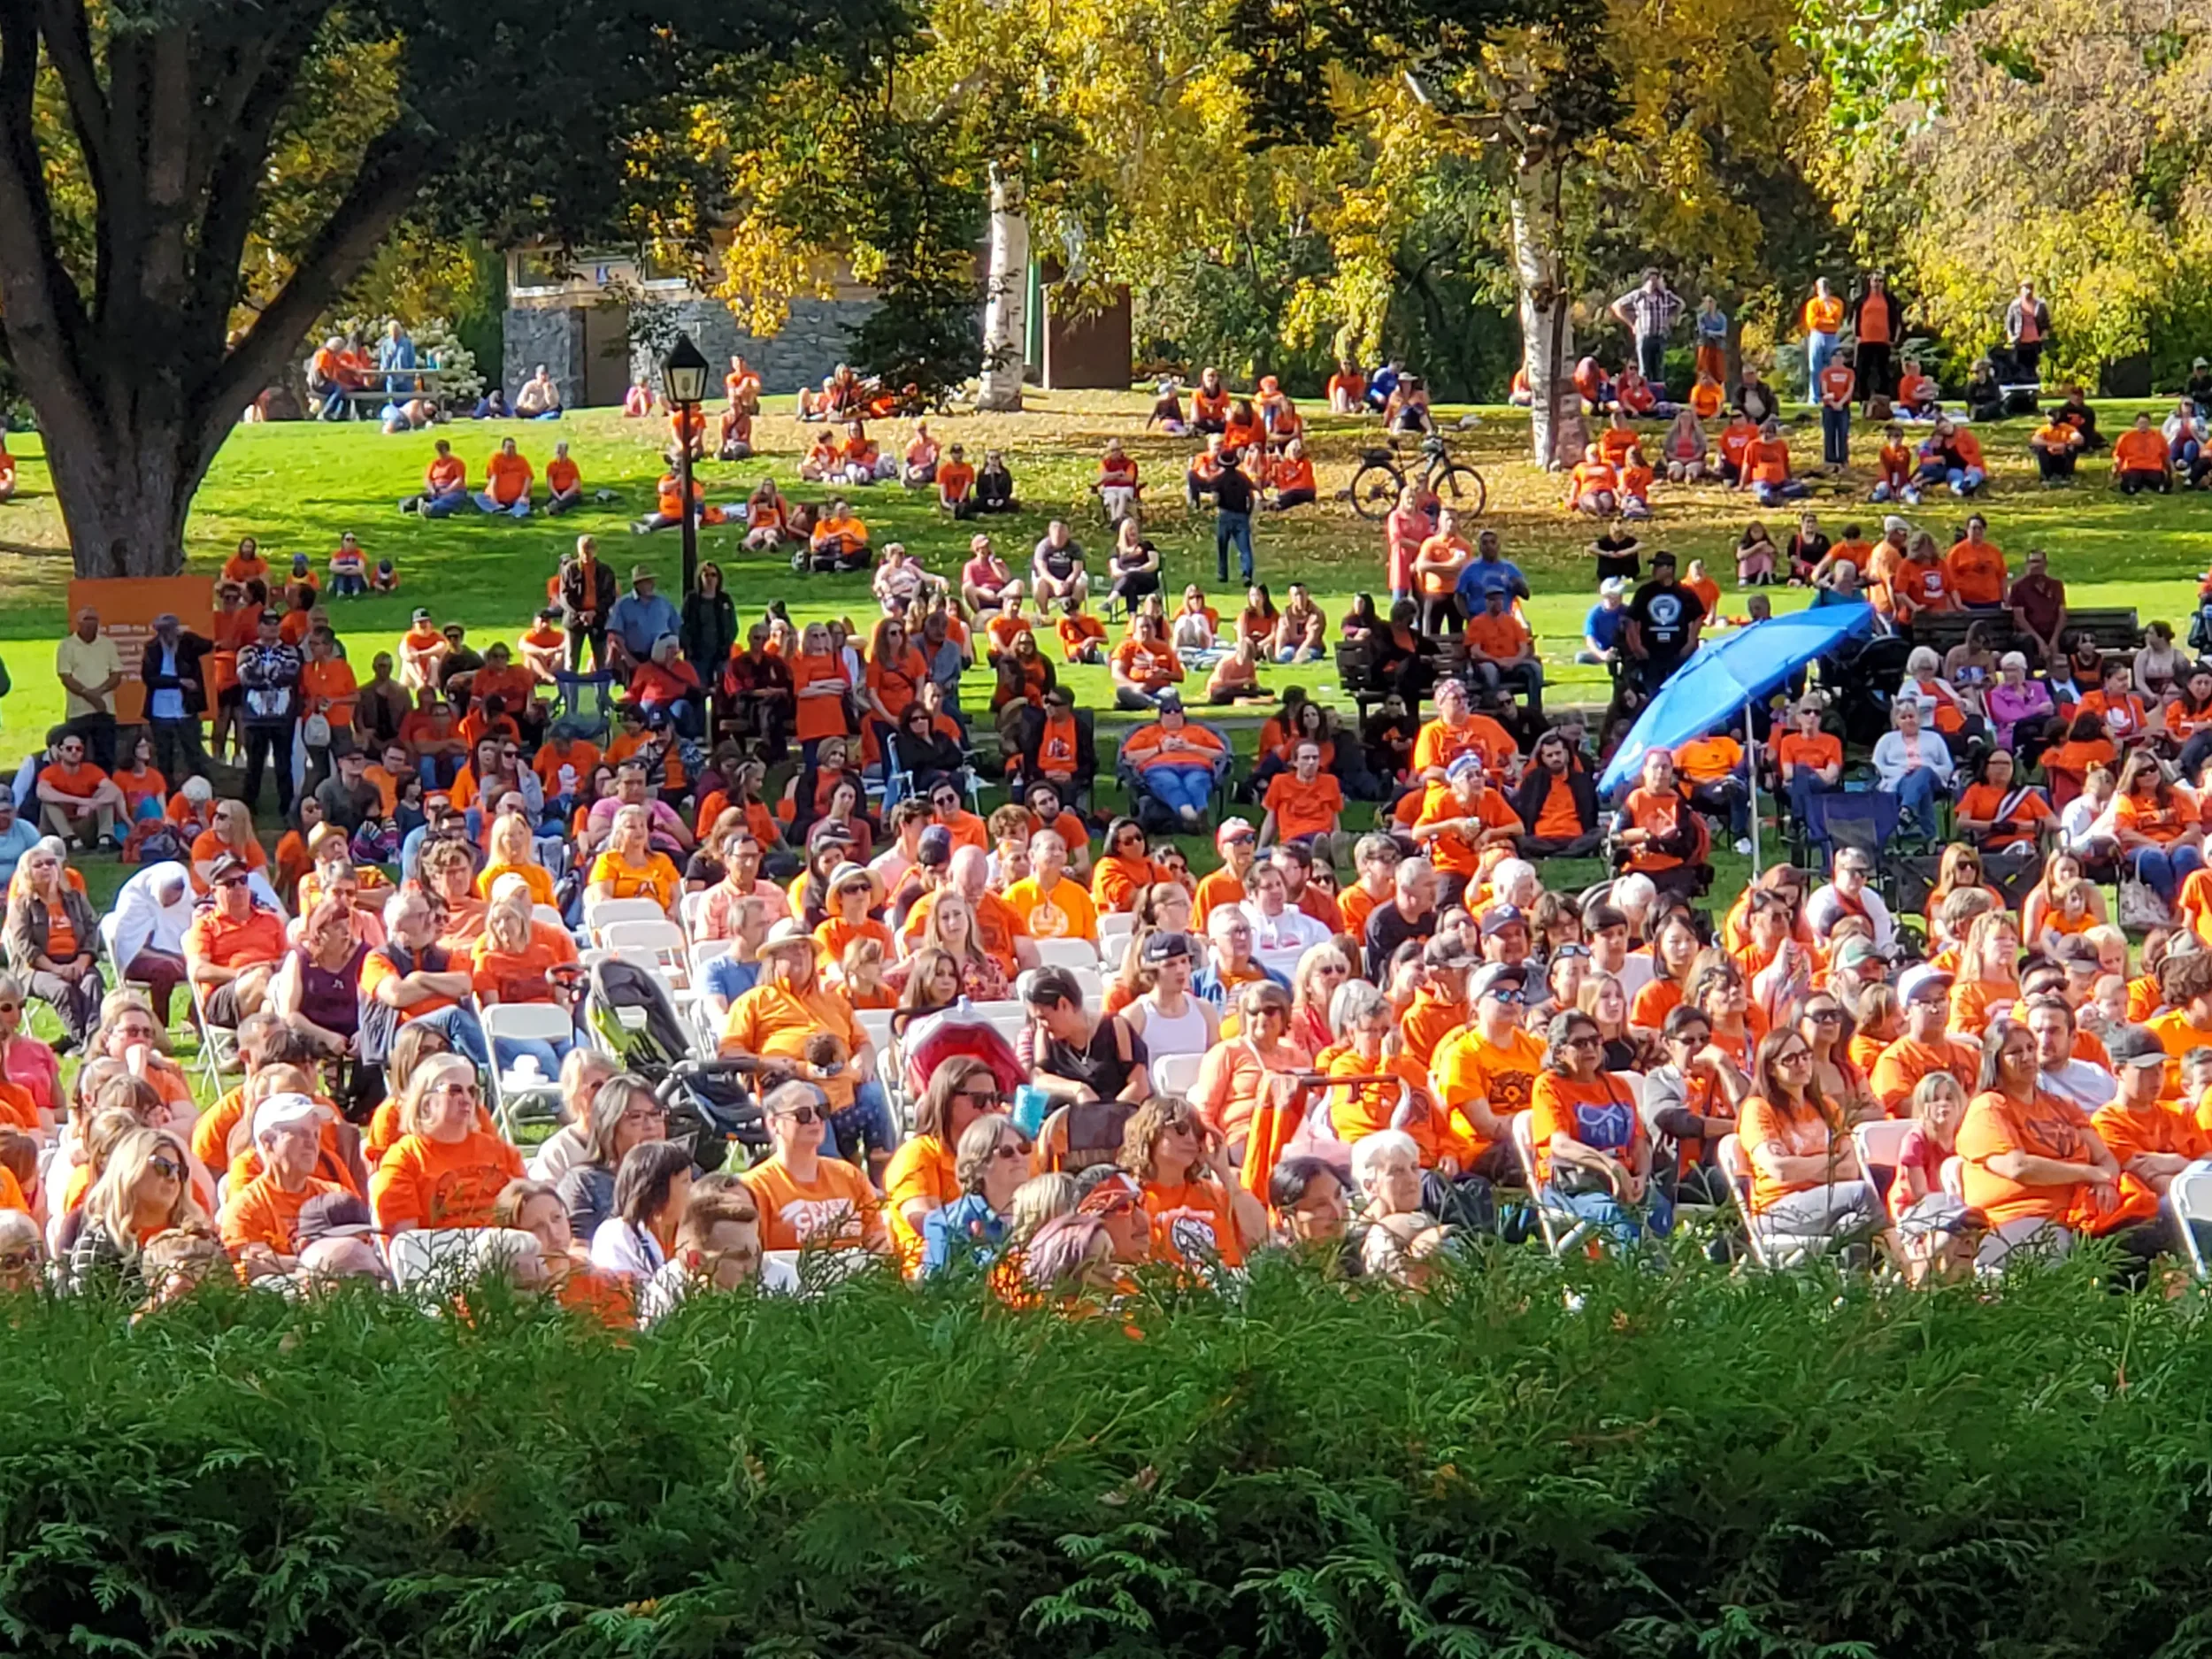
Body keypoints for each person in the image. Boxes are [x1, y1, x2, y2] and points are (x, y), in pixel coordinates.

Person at [1956, 1018, 2123, 1271]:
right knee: (2064, 1250)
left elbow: (2105, 1159)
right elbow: (2018, 1167)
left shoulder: (2063, 1105)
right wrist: (2088, 1173)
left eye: (2031, 1048)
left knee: (2152, 1233)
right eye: (2015, 1052)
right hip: (2017, 1219)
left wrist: (2107, 1181)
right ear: (1995, 1060)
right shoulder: (1988, 1107)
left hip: (2083, 1214)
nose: (2027, 1057)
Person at [1737, 1029, 1886, 1256]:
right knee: (1861, 1194)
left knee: (1854, 1226)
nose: (1801, 1063)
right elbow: (1780, 1170)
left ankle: (1851, 1289)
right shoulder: (1758, 1109)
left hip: (1830, 1201)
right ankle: (1905, 1265)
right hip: (1777, 1208)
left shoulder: (1826, 1106)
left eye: (1805, 1055)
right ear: (1770, 1068)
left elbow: (1849, 1169)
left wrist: (1801, 1167)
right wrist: (1829, 1161)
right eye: (1790, 1059)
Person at [1529, 1010, 1667, 1245]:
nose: (1591, 1048)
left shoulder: (1618, 1085)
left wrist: (1642, 1177)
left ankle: (1665, 1275)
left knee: (1659, 1209)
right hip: (1573, 1184)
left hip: (1623, 1178)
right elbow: (1560, 1145)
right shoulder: (1548, 1085)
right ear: (1559, 1051)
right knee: (1611, 1214)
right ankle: (1635, 1277)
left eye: (1595, 1040)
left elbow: (1638, 1142)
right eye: (1580, 1043)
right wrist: (1608, 1165)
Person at [368, 1052, 526, 1233]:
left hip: (505, 1254)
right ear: (426, 1102)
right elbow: (407, 1242)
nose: (466, 1099)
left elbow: (529, 1215)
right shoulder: (405, 1158)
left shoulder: (501, 1151)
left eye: (472, 1091)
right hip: (438, 1256)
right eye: (454, 1091)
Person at [737, 1079, 888, 1255]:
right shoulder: (756, 1186)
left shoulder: (849, 1175)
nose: (815, 1120)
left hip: (854, 1277)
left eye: (821, 1111)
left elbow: (878, 1243)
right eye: (802, 1114)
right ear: (773, 1123)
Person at [1870, 698, 1953, 844]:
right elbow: (1878, 766)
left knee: (1923, 773)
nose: (1909, 720)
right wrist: (1901, 771)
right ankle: (1929, 834)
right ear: (1896, 721)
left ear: (1919, 718)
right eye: (1903, 717)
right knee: (1922, 788)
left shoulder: (1935, 738)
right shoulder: (1886, 740)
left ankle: (1906, 810)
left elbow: (1947, 766)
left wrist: (1925, 769)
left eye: (1912, 716)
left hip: (1933, 779)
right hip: (1899, 781)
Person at [1624, 552, 1705, 694]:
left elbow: (1697, 617)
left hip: (1677, 651)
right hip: (1651, 654)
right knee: (1653, 694)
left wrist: (1691, 642)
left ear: (1669, 569)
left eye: (1658, 566)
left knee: (1679, 691)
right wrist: (1637, 646)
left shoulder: (1684, 592)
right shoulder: (1645, 592)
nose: (1654, 570)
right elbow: (1631, 619)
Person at [1610, 268, 1683, 384]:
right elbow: (1617, 306)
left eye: (1657, 279)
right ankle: (1644, 395)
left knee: (1658, 369)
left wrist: (1672, 318)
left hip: (1660, 335)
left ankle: (1658, 397)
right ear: (1646, 280)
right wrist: (1631, 323)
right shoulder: (1638, 295)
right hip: (1644, 335)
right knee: (1644, 370)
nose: (1655, 283)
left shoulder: (1665, 295)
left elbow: (1680, 304)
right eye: (1652, 279)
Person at [2114, 412, 2172, 495]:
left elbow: (2165, 455)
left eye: (2146, 423)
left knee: (2157, 482)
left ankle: (2158, 487)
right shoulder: (2126, 437)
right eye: (2141, 423)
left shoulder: (2158, 437)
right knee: (2132, 481)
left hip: (2153, 468)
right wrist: (2116, 468)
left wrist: (2170, 471)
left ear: (2150, 424)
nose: (2143, 425)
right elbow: (2119, 455)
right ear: (2136, 424)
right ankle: (2132, 488)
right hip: (2133, 467)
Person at [474, 437, 534, 518]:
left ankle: (515, 512)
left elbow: (528, 478)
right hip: (497, 498)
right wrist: (495, 501)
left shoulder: (521, 460)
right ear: (503, 448)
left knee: (524, 503)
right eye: (509, 447)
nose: (512, 450)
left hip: (516, 498)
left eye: (513, 447)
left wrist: (523, 496)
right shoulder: (496, 459)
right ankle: (497, 509)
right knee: (478, 497)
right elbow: (493, 480)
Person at [2005, 280, 2052, 380]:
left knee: (2034, 368)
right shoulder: (2015, 306)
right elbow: (2009, 324)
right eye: (2025, 288)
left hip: (2035, 343)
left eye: (2030, 288)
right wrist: (2011, 338)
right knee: (2020, 368)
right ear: (2020, 290)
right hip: (2020, 342)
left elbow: (2046, 324)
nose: (2028, 290)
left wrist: (2042, 336)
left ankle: (2033, 388)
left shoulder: (2039, 305)